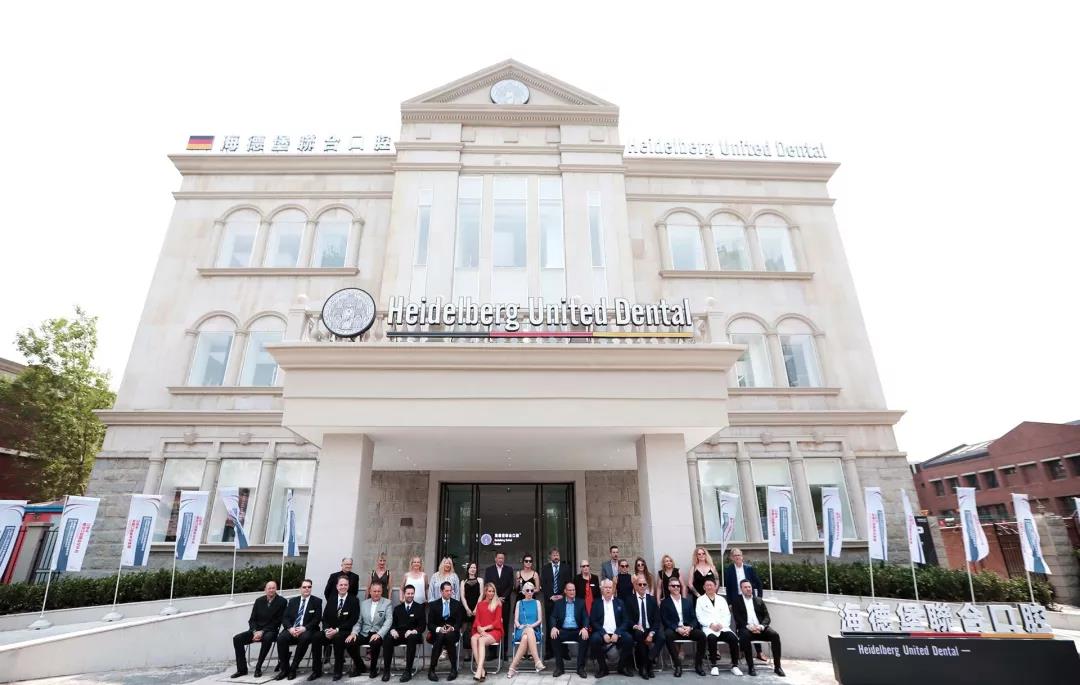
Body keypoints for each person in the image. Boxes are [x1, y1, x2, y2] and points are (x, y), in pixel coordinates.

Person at [232, 580, 288, 679]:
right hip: (255, 631)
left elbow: (277, 621)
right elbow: (252, 619)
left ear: (276, 589)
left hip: (271, 631)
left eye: (273, 588)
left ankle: (258, 667)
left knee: (267, 638)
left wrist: (262, 632)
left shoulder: (282, 601)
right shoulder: (259, 601)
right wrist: (254, 632)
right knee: (237, 638)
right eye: (269, 588)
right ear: (265, 590)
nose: (271, 590)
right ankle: (242, 670)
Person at [731, 580, 784, 677]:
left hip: (760, 628)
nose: (748, 589)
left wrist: (760, 626)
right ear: (741, 589)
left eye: (749, 587)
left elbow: (767, 617)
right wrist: (749, 627)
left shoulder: (759, 600)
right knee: (744, 636)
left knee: (775, 635)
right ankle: (751, 667)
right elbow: (738, 618)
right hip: (746, 628)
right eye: (745, 587)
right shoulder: (737, 601)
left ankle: (778, 667)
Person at [313, 575, 362, 681]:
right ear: (337, 586)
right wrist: (326, 630)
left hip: (344, 631)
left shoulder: (354, 600)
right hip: (329, 630)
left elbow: (353, 620)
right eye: (341, 585)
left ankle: (337, 671)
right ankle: (316, 671)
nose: (343, 587)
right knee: (316, 637)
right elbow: (325, 617)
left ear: (348, 586)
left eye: (345, 585)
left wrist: (337, 630)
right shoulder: (332, 599)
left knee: (338, 638)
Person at [275, 578, 323, 681]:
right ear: (300, 589)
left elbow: (316, 619)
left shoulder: (317, 601)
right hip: (292, 628)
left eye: (309, 587)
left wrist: (304, 628)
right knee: (281, 638)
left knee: (305, 638)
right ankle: (284, 669)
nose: (307, 589)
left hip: (307, 630)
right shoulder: (293, 601)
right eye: (304, 587)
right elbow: (285, 617)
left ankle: (293, 667)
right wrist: (290, 628)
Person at [723, 548, 766, 664]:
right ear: (732, 558)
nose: (737, 557)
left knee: (755, 622)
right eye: (735, 555)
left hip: (750, 598)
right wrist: (729, 603)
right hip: (737, 600)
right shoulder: (729, 570)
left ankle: (759, 651)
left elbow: (758, 584)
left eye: (739, 555)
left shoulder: (749, 568)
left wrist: (759, 599)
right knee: (739, 624)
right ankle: (742, 650)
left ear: (742, 556)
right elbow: (728, 588)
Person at [659, 574, 706, 677]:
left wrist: (690, 627)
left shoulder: (687, 602)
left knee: (702, 635)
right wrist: (677, 628)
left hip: (687, 629)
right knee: (667, 635)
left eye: (678, 586)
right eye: (673, 586)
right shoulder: (665, 603)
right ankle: (677, 666)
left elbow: (694, 618)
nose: (676, 587)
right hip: (674, 630)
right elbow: (665, 620)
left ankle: (698, 665)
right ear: (669, 588)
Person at [345, 580, 393, 680]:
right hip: (365, 633)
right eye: (374, 591)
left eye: (379, 591)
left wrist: (379, 634)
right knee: (349, 643)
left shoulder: (387, 603)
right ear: (370, 592)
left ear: (382, 592)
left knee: (375, 643)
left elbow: (388, 621)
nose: (376, 593)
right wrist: (353, 633)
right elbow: (359, 621)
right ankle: (360, 666)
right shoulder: (364, 603)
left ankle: (373, 669)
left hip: (378, 632)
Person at [694, 579, 741, 677]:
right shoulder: (700, 600)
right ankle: (714, 665)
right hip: (709, 628)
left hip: (722, 627)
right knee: (711, 638)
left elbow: (727, 615)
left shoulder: (721, 599)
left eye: (711, 585)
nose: (709, 587)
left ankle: (735, 665)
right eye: (707, 585)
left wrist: (721, 625)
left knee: (733, 638)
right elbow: (699, 616)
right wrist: (711, 625)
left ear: (715, 587)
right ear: (704, 588)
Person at [588, 578, 632, 678]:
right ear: (601, 589)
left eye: (610, 587)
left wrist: (618, 632)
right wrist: (603, 633)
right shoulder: (596, 603)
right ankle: (603, 668)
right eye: (606, 587)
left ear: (613, 589)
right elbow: (593, 621)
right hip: (602, 633)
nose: (608, 589)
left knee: (629, 639)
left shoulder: (620, 602)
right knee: (594, 639)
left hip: (617, 632)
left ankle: (622, 666)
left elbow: (626, 620)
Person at [548, 581, 589, 678]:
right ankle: (559, 668)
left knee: (585, 638)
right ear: (565, 591)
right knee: (554, 637)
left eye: (573, 590)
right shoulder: (559, 603)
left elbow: (586, 617)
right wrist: (553, 627)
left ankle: (580, 668)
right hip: (564, 630)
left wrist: (585, 628)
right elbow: (553, 616)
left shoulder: (581, 602)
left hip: (577, 630)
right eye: (570, 590)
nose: (572, 592)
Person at [626, 574, 663, 679]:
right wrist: (635, 626)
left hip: (650, 629)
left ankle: (648, 661)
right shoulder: (630, 600)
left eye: (644, 584)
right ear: (636, 586)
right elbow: (627, 619)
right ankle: (645, 667)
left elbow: (657, 620)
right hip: (637, 629)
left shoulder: (652, 600)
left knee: (662, 637)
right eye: (640, 584)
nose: (642, 586)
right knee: (639, 635)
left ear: (647, 586)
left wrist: (651, 633)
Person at [386, 585, 426, 682]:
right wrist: (392, 630)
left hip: (414, 635)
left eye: (412, 593)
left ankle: (408, 671)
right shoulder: (397, 608)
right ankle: (386, 671)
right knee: (388, 638)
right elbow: (392, 624)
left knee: (412, 638)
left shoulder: (419, 608)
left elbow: (422, 626)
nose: (410, 595)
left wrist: (413, 631)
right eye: (408, 593)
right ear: (404, 594)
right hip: (399, 634)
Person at [426, 581, 465, 681]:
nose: (449, 593)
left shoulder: (457, 604)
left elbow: (459, 622)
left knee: (448, 635)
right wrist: (439, 629)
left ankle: (433, 669)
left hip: (452, 633)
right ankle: (452, 669)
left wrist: (452, 628)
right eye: (447, 591)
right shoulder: (434, 605)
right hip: (437, 634)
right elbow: (430, 624)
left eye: (450, 591)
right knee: (441, 636)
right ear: (441, 591)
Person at [507, 582, 544, 677]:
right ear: (523, 591)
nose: (530, 592)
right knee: (527, 631)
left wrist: (531, 626)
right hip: (521, 630)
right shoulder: (519, 603)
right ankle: (537, 661)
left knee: (526, 637)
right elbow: (516, 620)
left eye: (532, 590)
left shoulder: (537, 602)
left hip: (534, 630)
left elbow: (539, 620)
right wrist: (519, 626)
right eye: (527, 590)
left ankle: (512, 667)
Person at [470, 583, 504, 681]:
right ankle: (482, 671)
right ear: (485, 592)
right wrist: (479, 628)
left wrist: (485, 628)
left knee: (481, 640)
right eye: (489, 591)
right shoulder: (480, 604)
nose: (491, 593)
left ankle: (479, 670)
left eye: (493, 591)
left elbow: (497, 621)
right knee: (473, 638)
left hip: (495, 631)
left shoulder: (497, 604)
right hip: (482, 630)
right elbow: (477, 619)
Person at [483, 553, 514, 643]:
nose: (500, 560)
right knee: (492, 624)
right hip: (492, 601)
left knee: (505, 625)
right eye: (499, 558)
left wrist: (503, 597)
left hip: (505, 602)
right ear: (495, 559)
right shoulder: (489, 570)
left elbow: (510, 585)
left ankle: (505, 649)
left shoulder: (509, 569)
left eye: (502, 558)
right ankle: (492, 650)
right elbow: (487, 585)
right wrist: (496, 597)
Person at [539, 548, 569, 614]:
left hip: (562, 599)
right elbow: (543, 584)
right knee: (549, 618)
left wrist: (563, 595)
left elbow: (568, 583)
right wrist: (550, 596)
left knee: (561, 618)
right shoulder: (545, 568)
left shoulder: (566, 568)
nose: (556, 557)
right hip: (549, 600)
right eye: (554, 555)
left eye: (557, 555)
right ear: (550, 557)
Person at [460, 562, 482, 632]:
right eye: (471, 567)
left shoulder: (480, 580)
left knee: (476, 629)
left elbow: (481, 594)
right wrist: (467, 609)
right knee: (465, 629)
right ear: (468, 569)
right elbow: (462, 596)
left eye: (474, 568)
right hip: (466, 607)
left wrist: (476, 608)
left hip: (477, 607)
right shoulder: (463, 581)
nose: (473, 569)